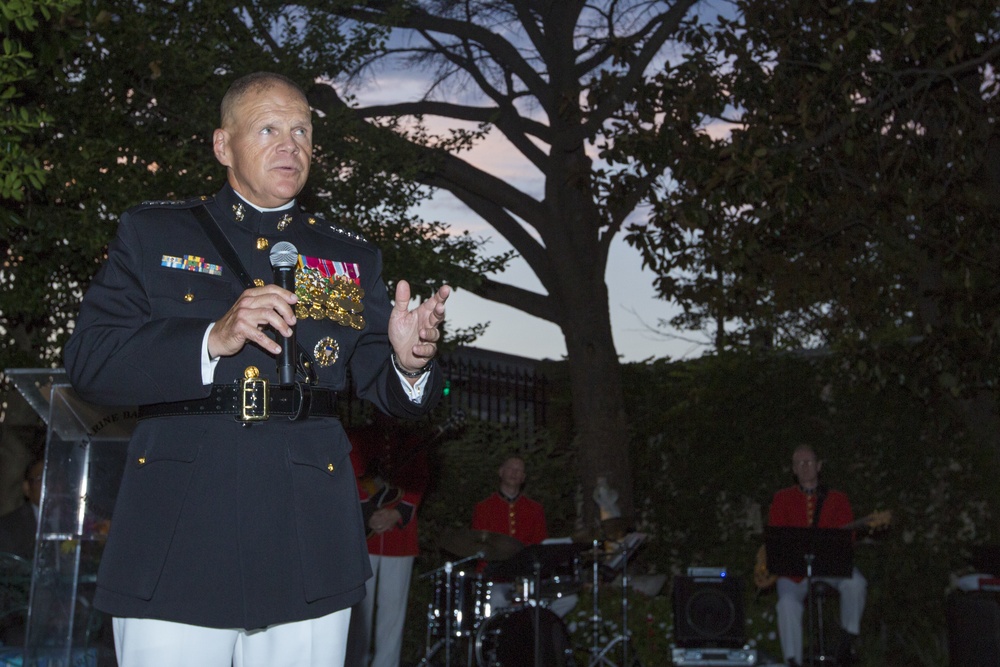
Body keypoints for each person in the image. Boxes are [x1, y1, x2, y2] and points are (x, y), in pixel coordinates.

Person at [64, 71, 450, 667]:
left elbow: (379, 383)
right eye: (268, 128)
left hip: (306, 527)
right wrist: (210, 338)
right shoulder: (154, 233)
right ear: (224, 146)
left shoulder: (344, 258)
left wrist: (406, 361)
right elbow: (91, 363)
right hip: (179, 524)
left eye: (302, 130)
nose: (289, 144)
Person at [768, 445, 867, 666]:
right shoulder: (782, 499)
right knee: (786, 604)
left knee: (857, 583)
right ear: (794, 469)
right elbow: (777, 537)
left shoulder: (838, 499)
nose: (805, 467)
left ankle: (847, 641)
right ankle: (793, 660)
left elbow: (846, 541)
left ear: (819, 466)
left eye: (809, 462)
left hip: (831, 566)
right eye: (800, 463)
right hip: (795, 572)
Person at [345, 415, 429, 667]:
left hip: (399, 537)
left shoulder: (413, 441)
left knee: (393, 614)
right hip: (366, 535)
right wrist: (368, 514)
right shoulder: (359, 438)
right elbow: (350, 474)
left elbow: (420, 479)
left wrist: (396, 513)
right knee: (360, 613)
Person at [0, 458, 43, 560]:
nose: (50, 485)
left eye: (55, 478)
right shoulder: (9, 527)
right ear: (27, 488)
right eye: (41, 478)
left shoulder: (71, 521)